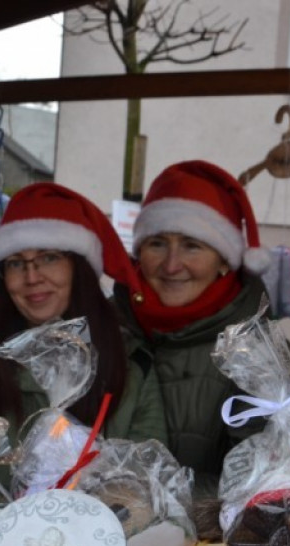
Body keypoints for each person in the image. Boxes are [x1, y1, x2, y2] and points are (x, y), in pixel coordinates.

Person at [0, 182, 166, 489]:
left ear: (79, 268)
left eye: (48, 258)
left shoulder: (131, 364)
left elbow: (146, 484)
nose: (32, 277)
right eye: (16, 263)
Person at [103, 160, 272, 503]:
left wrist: (147, 505)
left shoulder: (255, 352)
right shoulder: (106, 328)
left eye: (192, 245)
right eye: (157, 244)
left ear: (224, 259)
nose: (171, 264)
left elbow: (253, 481)